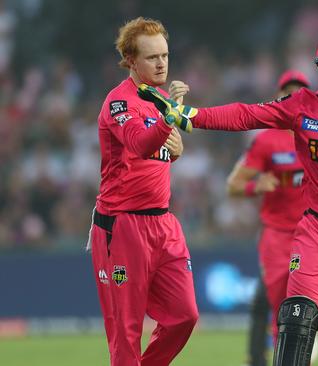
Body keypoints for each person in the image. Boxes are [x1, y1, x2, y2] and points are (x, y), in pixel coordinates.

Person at [139, 31, 318, 366]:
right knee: (296, 312)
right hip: (316, 228)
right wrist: (194, 116)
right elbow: (246, 115)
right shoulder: (301, 106)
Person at [87, 17, 198, 366]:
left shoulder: (159, 98)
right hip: (122, 227)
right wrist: (168, 120)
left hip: (163, 224)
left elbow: (156, 154)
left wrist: (174, 151)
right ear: (131, 61)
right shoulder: (119, 102)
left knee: (185, 316)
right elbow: (137, 144)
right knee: (126, 332)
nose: (162, 63)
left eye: (165, 55)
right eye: (152, 57)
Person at [225, 70, 318, 366]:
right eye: (287, 92)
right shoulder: (266, 140)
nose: (292, 97)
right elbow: (234, 185)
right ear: (279, 97)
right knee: (282, 308)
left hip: (316, 231)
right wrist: (256, 185)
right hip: (278, 236)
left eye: (298, 92)